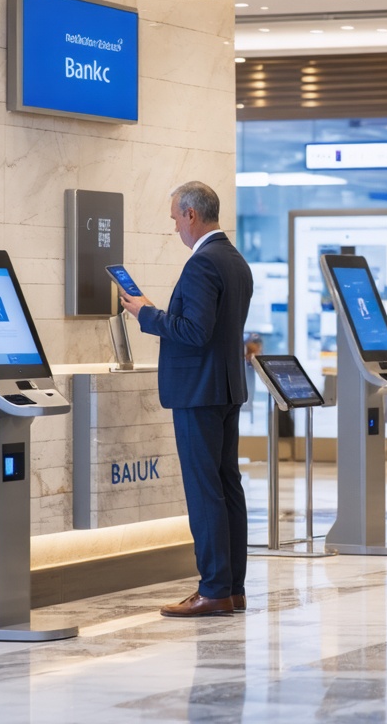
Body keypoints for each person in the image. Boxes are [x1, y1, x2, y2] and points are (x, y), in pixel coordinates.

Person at [119, 181, 254, 616]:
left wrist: (146, 314)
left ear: (192, 215)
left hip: (199, 392)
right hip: (227, 388)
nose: (174, 224)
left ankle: (214, 589)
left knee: (205, 490)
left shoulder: (202, 265)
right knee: (227, 486)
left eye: (176, 217)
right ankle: (232, 588)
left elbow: (194, 333)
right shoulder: (235, 261)